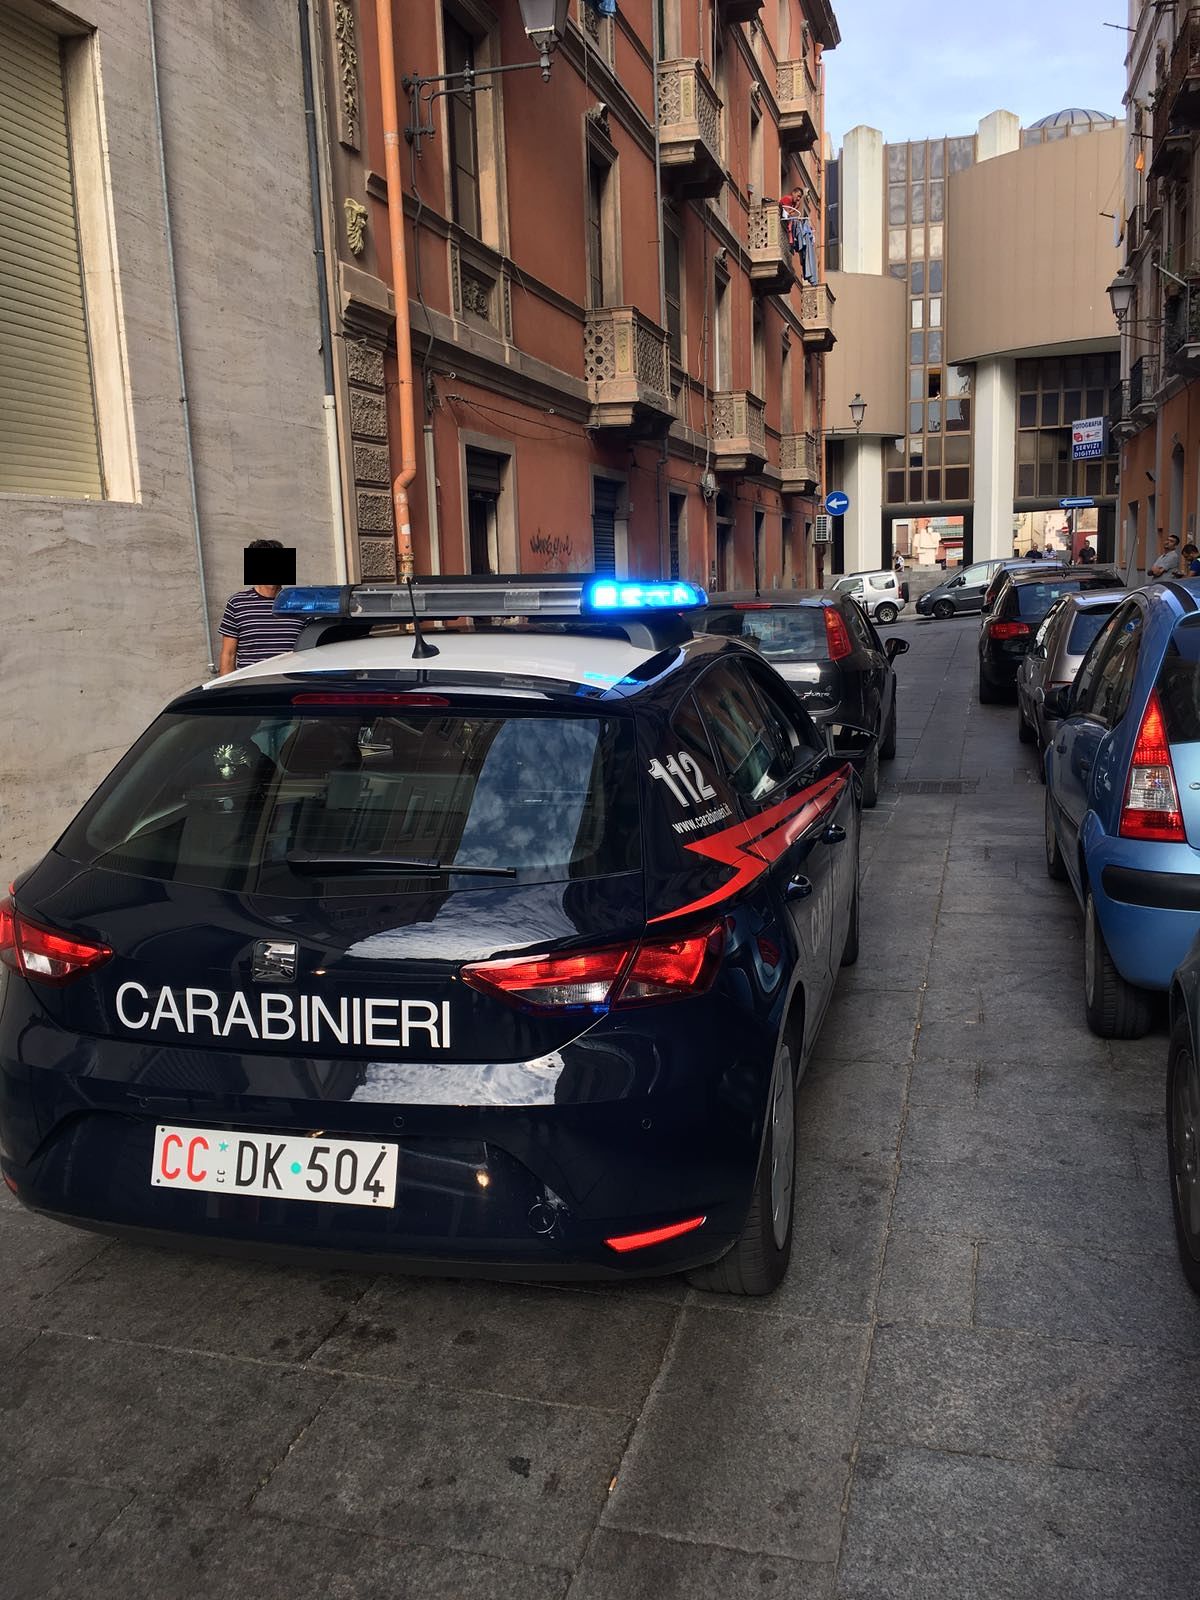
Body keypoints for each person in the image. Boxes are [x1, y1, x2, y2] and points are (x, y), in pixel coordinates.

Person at [218, 538, 305, 674]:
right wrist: (227, 686)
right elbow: (228, 655)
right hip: (253, 684)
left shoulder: (300, 604)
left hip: (290, 683)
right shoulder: (237, 604)